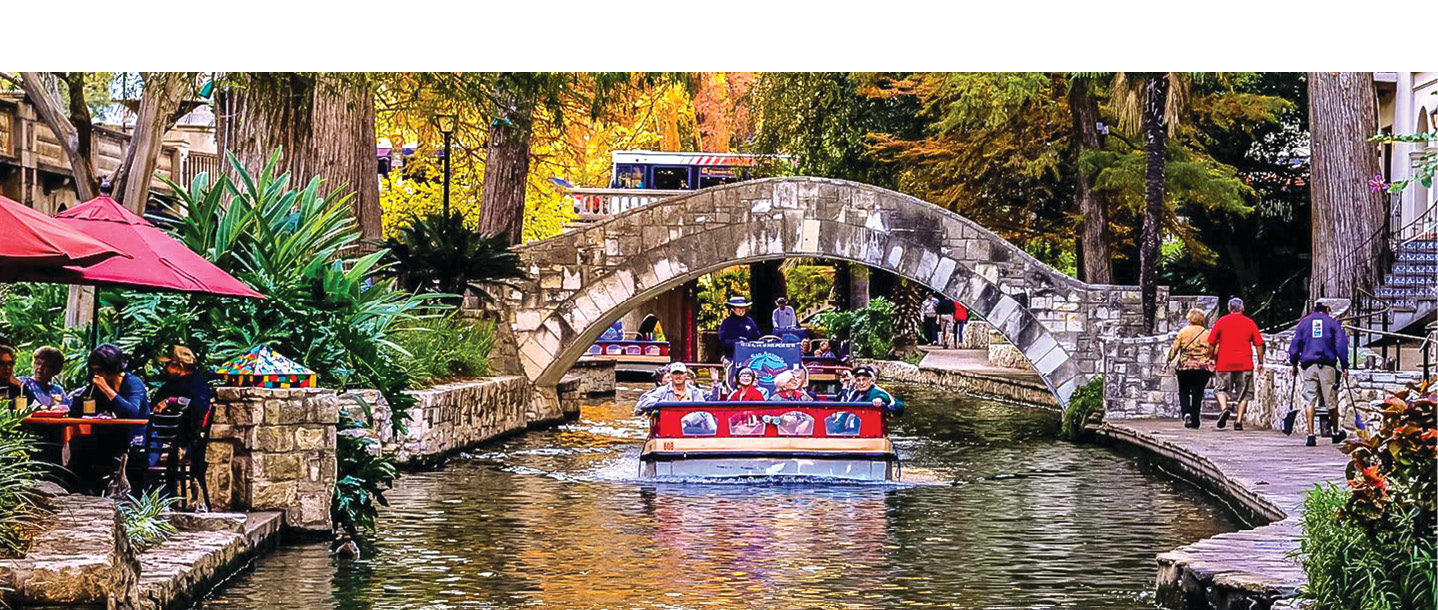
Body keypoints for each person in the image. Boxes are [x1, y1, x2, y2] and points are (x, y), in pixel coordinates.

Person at [68, 343, 149, 497]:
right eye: (94, 371)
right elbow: (77, 411)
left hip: (133, 437)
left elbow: (132, 412)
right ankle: (83, 490)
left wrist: (107, 389)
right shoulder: (96, 385)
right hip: (109, 435)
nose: (97, 375)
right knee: (79, 444)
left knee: (96, 448)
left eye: (100, 370)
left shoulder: (132, 383)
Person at [1286, 303, 1349, 447]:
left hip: (1308, 366)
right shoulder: (1332, 323)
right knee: (1331, 401)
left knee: (1310, 399)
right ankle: (1335, 432)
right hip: (1327, 365)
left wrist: (1294, 363)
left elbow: (1295, 345)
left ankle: (1311, 435)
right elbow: (1341, 345)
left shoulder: (1304, 323)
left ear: (1313, 310)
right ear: (1327, 311)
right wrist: (1344, 365)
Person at [1207, 298, 1265, 431]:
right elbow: (1259, 344)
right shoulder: (1249, 323)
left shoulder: (1221, 322)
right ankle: (1238, 421)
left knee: (1221, 389)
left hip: (1224, 362)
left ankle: (1224, 409)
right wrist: (1261, 362)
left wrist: (1210, 358)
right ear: (1242, 308)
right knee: (1244, 393)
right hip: (1245, 363)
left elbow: (1211, 343)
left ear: (1229, 308)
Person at [1164, 309, 1213, 429]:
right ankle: (1195, 419)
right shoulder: (1207, 333)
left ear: (1189, 318)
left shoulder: (1183, 332)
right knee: (1198, 392)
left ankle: (1186, 413)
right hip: (1202, 367)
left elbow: (1175, 348)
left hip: (1185, 366)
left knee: (1184, 391)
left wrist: (1168, 361)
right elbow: (1213, 349)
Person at [634, 363, 707, 414]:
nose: (678, 376)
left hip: (690, 425)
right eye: (675, 373)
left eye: (681, 373)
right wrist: (661, 403)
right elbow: (640, 406)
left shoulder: (695, 391)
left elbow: (702, 411)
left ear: (686, 375)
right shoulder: (662, 390)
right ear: (671, 375)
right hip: (668, 424)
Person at [837, 366, 903, 415]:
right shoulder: (854, 393)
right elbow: (846, 410)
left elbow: (897, 405)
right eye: (858, 380)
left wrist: (880, 398)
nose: (861, 383)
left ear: (870, 380)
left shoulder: (876, 391)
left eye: (864, 379)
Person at [20, 346, 69, 410]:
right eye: (38, 363)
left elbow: (66, 410)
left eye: (46, 365)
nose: (40, 368)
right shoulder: (22, 383)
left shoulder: (58, 390)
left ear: (55, 369)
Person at [718, 296, 761, 363]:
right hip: (731, 355)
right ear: (733, 309)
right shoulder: (726, 322)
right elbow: (722, 341)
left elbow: (757, 337)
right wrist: (737, 342)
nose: (741, 311)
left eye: (743, 309)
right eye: (738, 309)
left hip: (749, 356)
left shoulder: (750, 321)